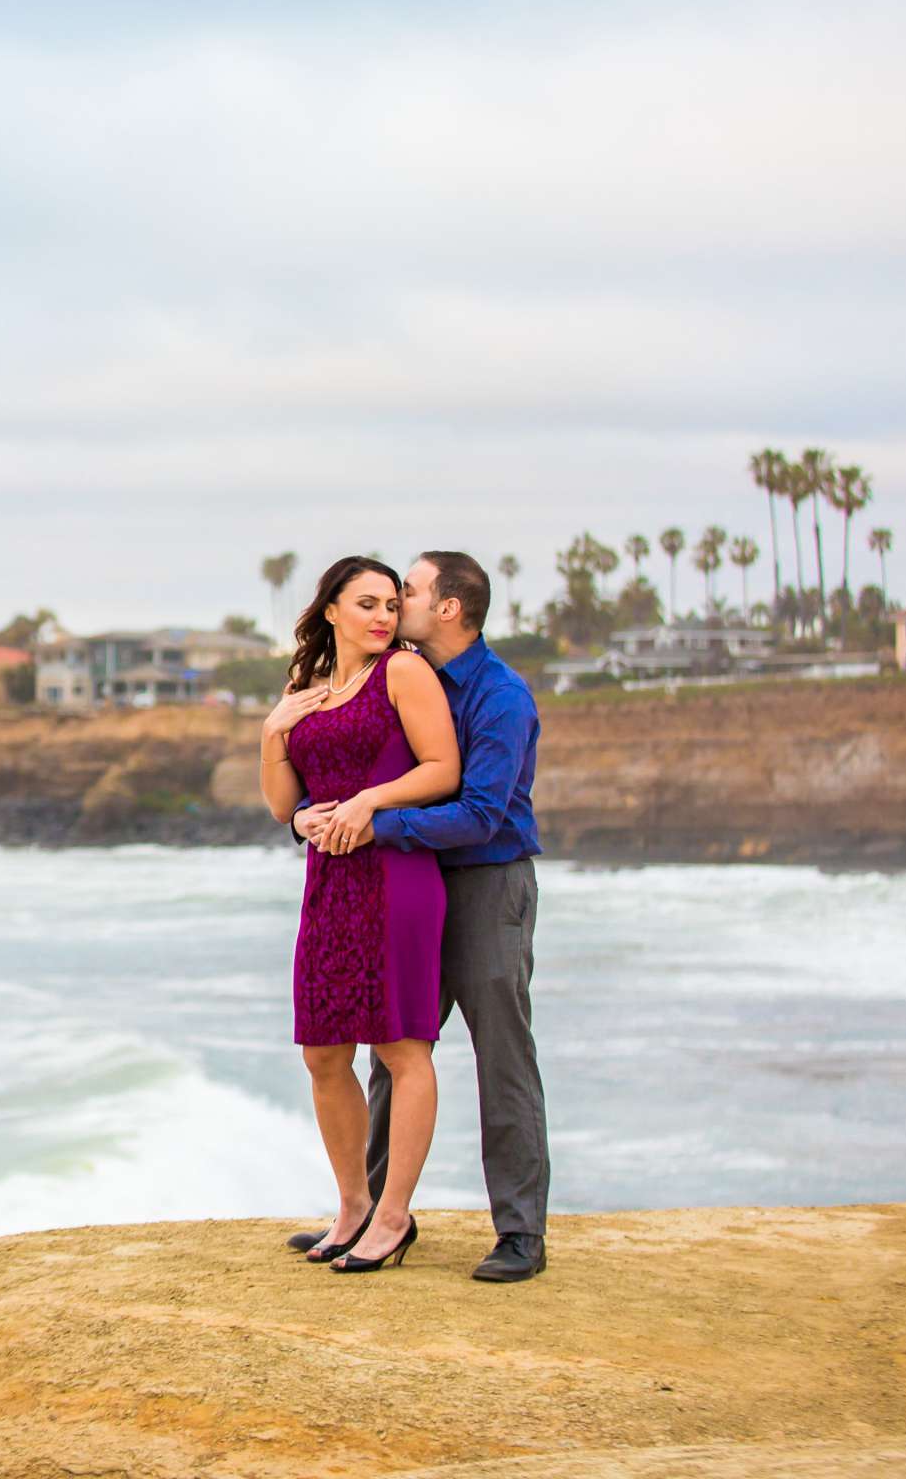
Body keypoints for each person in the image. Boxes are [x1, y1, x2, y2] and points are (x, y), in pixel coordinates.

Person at [286, 550, 550, 1283]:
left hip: (487, 884)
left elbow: (478, 812)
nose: (396, 601)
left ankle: (521, 1232)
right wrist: (319, 814)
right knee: (389, 1046)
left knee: (502, 1057)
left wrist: (375, 821)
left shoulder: (500, 697)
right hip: (408, 878)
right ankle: (368, 1210)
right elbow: (357, 765)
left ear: (450, 608)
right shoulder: (398, 670)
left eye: (409, 590)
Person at [261, 556, 459, 1274]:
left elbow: (444, 768)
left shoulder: (403, 673)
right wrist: (272, 733)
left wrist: (371, 800)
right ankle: (353, 1204)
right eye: (366, 604)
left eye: (389, 603)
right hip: (328, 881)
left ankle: (395, 1216)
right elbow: (283, 806)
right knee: (322, 1052)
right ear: (332, 612)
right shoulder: (303, 690)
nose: (382, 616)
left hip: (396, 874)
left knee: (403, 1047)